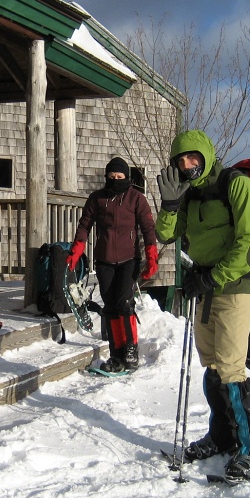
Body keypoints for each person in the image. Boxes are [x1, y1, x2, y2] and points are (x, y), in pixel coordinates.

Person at [155, 129, 250, 481]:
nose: (187, 165)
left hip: (234, 286)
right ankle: (222, 437)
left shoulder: (237, 185)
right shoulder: (191, 194)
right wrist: (170, 205)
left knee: (232, 367)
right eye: (180, 160)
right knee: (213, 365)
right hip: (205, 285)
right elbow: (166, 234)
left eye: (193, 157)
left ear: (206, 155)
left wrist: (213, 277)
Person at [66, 156, 158, 373]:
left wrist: (151, 256)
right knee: (110, 307)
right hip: (105, 260)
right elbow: (84, 225)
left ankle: (131, 350)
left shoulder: (136, 198)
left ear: (127, 177)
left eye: (120, 176)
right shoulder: (97, 198)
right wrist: (77, 249)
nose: (116, 180)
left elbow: (148, 228)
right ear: (106, 177)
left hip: (129, 260)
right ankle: (116, 353)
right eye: (112, 176)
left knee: (124, 304)